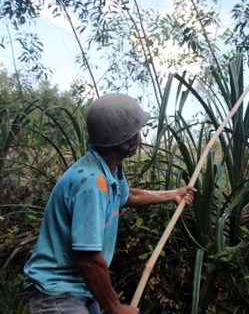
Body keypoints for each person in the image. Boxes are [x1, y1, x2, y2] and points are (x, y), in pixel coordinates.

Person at [23, 93, 196, 314]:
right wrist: (114, 307)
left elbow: (128, 196)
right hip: (58, 293)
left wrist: (172, 194)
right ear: (127, 142)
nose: (140, 136)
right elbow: (88, 259)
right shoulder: (93, 185)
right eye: (137, 131)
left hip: (80, 289)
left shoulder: (107, 171)